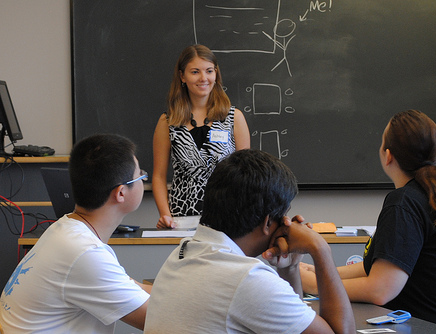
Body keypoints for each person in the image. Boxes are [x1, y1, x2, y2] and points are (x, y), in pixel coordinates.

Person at [300, 110, 436, 333]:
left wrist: (314, 284)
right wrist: (321, 271)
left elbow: (380, 289)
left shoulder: (404, 202)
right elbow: (381, 268)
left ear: (388, 156)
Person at [144, 149, 355, 333]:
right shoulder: (247, 279)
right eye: (284, 216)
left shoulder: (182, 254)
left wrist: (290, 268)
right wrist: (320, 248)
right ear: (266, 223)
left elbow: (292, 328)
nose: (288, 223)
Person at [0, 134, 151, 333]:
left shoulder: (65, 229)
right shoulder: (84, 253)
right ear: (121, 193)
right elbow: (160, 319)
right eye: (140, 174)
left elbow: (133, 287)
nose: (143, 178)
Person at [152, 44, 250, 229]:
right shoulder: (168, 121)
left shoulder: (234, 118)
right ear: (182, 76)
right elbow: (158, 176)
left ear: (216, 74)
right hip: (181, 219)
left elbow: (245, 175)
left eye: (209, 71)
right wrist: (166, 215)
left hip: (227, 219)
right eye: (195, 72)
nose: (203, 78)